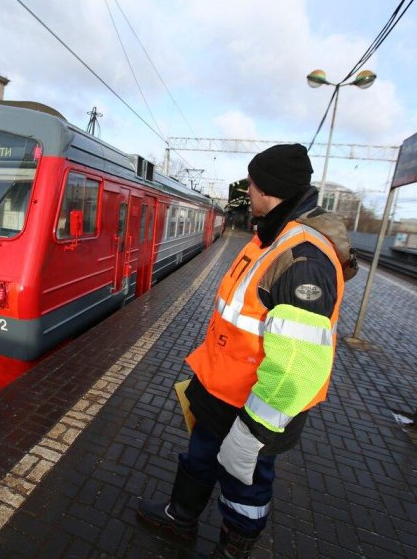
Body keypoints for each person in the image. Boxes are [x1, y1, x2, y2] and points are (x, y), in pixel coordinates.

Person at [137, 144, 355, 558]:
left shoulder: (303, 258)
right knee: (200, 458)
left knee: (246, 484)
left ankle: (234, 548)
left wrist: (255, 430)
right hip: (221, 391)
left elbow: (297, 365)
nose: (247, 191)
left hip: (252, 406)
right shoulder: (271, 238)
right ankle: (180, 517)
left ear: (269, 188)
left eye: (252, 184)